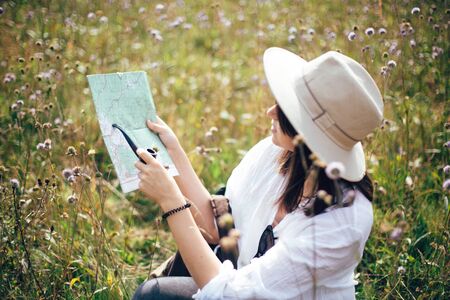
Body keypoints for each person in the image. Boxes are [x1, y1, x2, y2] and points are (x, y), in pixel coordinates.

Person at [132, 47, 383, 299]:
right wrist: (172, 151)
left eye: (285, 110)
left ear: (308, 134)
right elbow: (218, 228)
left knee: (153, 295)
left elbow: (229, 294)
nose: (270, 112)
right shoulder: (277, 153)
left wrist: (171, 201)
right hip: (239, 278)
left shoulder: (340, 225)